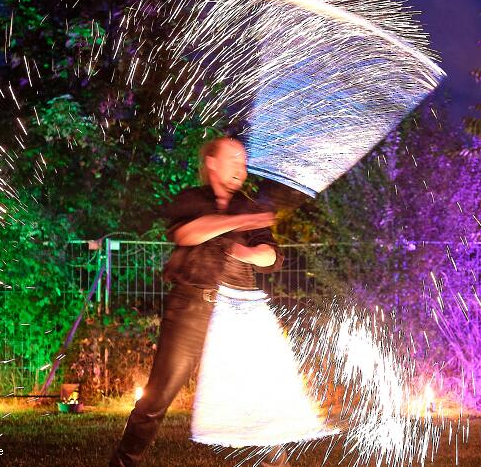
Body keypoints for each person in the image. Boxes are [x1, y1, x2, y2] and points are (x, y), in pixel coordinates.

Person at [110, 137, 334, 467]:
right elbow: (188, 234)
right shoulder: (191, 200)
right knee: (157, 397)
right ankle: (123, 463)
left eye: (244, 164)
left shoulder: (249, 206)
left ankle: (276, 463)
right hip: (190, 308)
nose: (240, 170)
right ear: (212, 163)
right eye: (233, 160)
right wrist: (239, 224)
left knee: (254, 395)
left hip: (237, 313)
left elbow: (272, 256)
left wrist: (248, 251)